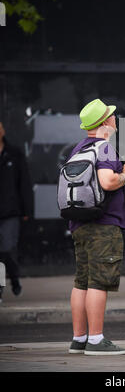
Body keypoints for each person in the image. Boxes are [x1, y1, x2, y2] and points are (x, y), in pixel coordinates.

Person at [68, 98, 125, 356]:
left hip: (80, 224)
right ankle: (96, 340)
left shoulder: (78, 149)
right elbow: (107, 182)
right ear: (105, 122)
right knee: (99, 281)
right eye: (111, 115)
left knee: (81, 282)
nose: (115, 119)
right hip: (103, 225)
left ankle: (79, 338)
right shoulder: (104, 149)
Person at [0, 122, 33, 302]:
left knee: (7, 249)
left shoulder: (15, 153)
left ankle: (14, 278)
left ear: (3, 130)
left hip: (10, 211)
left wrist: (27, 209)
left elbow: (25, 183)